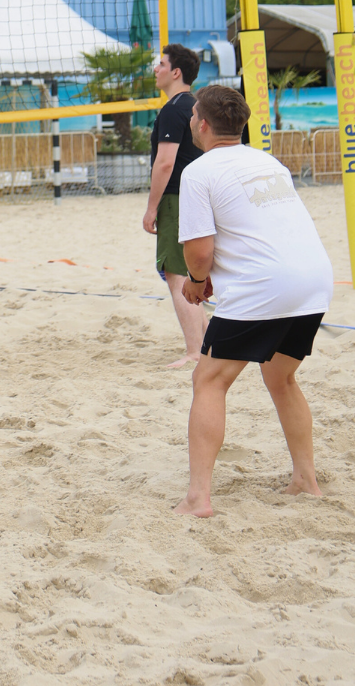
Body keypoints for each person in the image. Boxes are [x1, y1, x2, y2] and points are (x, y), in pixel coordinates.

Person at [174, 84, 332, 518]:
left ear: (202, 124)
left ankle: (198, 499)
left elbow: (200, 253)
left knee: (209, 381)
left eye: (192, 116)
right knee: (281, 378)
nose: (190, 122)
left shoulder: (200, 171)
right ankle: (306, 480)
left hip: (266, 286)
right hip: (315, 279)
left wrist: (196, 281)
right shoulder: (269, 161)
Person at [141, 43, 205, 368]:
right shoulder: (196, 106)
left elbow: (165, 163)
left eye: (161, 63)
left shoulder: (173, 108)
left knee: (176, 273)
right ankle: (205, 348)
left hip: (177, 198)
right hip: (200, 197)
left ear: (176, 72)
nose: (156, 68)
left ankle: (195, 351)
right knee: (194, 273)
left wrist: (151, 208)